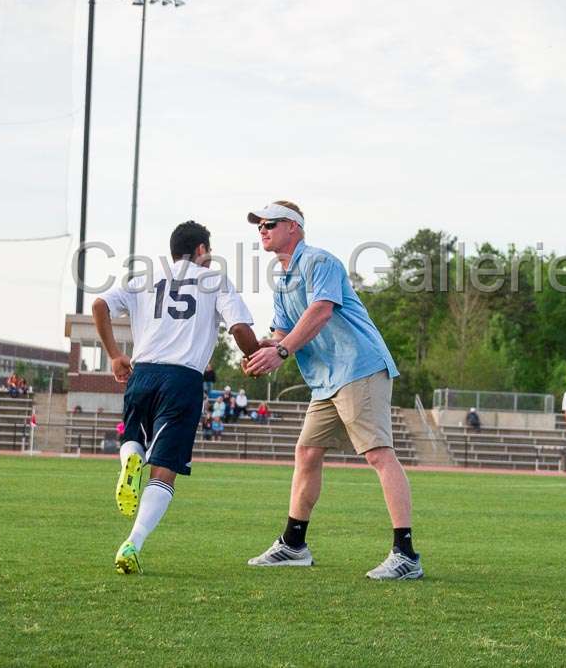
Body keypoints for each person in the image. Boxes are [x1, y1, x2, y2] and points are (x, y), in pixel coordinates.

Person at [242, 201, 422, 580]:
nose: (262, 230)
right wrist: (261, 348)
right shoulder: (283, 280)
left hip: (358, 366)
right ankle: (294, 545)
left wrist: (281, 350)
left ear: (294, 227)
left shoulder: (319, 262)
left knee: (378, 455)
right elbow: (281, 334)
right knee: (307, 452)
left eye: (269, 223)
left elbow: (321, 312)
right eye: (259, 225)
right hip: (327, 379)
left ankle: (406, 555)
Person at [92, 220, 259, 575]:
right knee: (164, 469)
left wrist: (113, 355)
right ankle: (132, 543)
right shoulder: (214, 280)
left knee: (133, 437)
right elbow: (240, 329)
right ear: (201, 249)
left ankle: (129, 460)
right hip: (182, 378)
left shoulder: (144, 277)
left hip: (143, 372)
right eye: (209, 251)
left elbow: (99, 306)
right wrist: (253, 356)